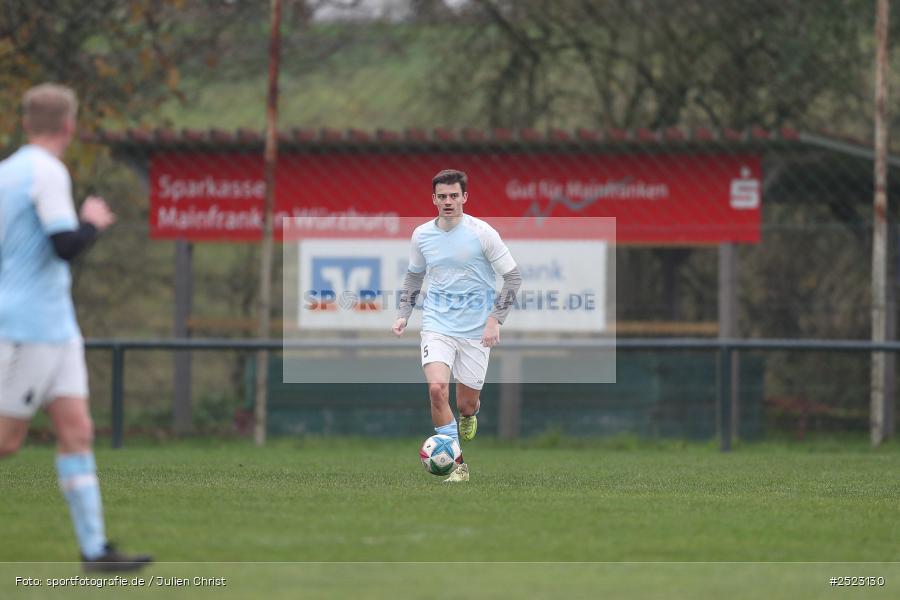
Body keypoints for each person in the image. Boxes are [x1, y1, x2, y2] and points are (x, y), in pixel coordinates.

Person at [0, 83, 152, 571]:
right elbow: (65, 244)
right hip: (31, 325)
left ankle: (95, 551)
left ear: (26, 124)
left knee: (77, 431)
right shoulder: (46, 172)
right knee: (6, 441)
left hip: (57, 324)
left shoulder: (9, 171)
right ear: (69, 126)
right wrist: (92, 221)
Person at [392, 169, 522, 483]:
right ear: (433, 199)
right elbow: (414, 276)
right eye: (442, 196)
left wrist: (494, 320)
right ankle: (457, 466)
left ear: (465, 197)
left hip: (477, 331)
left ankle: (468, 415)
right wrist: (404, 313)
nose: (448, 201)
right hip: (437, 324)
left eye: (454, 196)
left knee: (466, 403)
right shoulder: (422, 235)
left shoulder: (482, 233)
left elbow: (513, 278)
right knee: (437, 390)